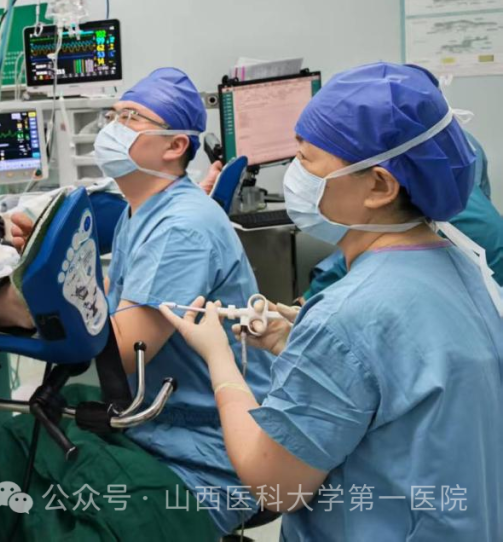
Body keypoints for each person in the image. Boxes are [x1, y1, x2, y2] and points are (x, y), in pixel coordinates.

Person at [161, 62, 503, 540]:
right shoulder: (463, 267)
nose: (295, 175)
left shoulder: (348, 316)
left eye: (306, 159)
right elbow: (397, 380)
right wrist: (296, 342)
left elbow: (274, 485)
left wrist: (219, 358)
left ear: (380, 186)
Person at [92, 67, 273, 534]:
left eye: (130, 117)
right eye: (112, 114)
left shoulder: (181, 228)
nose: (111, 127)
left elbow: (122, 353)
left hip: (208, 454)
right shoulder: (142, 210)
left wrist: (31, 304)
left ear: (174, 146)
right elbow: (114, 301)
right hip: (161, 425)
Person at [304, 129, 503, 297]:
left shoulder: (420, 224)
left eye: (305, 159)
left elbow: (376, 243)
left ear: (380, 184)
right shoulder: (459, 146)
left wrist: (312, 302)